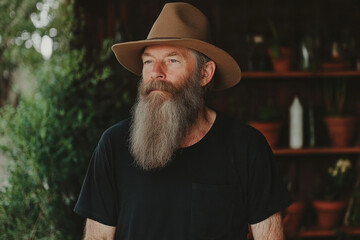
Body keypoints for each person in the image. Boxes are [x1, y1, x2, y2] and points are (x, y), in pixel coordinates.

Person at [74, 2, 291, 240]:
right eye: (148, 61)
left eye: (172, 60)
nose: (156, 72)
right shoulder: (113, 146)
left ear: (204, 74)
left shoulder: (247, 148)